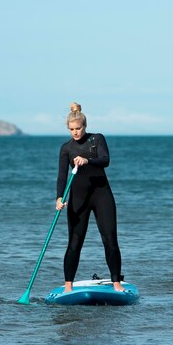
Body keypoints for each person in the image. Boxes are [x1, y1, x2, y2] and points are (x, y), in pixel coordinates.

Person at [56, 102, 125, 293]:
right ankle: (68, 285)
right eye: (72, 129)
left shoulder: (97, 139)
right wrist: (59, 197)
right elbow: (62, 175)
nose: (75, 132)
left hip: (102, 196)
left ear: (84, 126)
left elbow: (105, 161)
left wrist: (87, 160)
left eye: (78, 128)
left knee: (110, 239)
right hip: (78, 198)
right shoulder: (66, 148)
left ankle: (116, 282)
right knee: (74, 242)